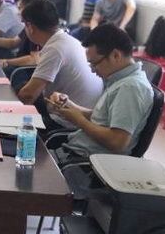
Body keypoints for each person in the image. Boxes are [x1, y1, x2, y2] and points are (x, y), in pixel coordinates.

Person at [46, 24, 154, 163]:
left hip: (86, 163)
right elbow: (103, 118)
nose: (93, 70)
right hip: (75, 153)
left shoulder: (131, 87)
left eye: (95, 63)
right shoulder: (119, 79)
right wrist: (70, 106)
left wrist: (79, 121)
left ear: (116, 55)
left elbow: (117, 142)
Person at [16, 0, 103, 133]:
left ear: (30, 27)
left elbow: (28, 96)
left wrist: (6, 109)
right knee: (22, 86)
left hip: (67, 123)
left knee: (15, 125)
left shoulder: (55, 49)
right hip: (83, 112)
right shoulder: (66, 40)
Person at [0, 0, 43, 77]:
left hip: (24, 70)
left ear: (30, 7)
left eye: (20, 8)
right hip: (18, 62)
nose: (17, 12)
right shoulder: (28, 25)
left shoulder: (37, 29)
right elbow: (13, 42)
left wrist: (7, 61)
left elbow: (33, 59)